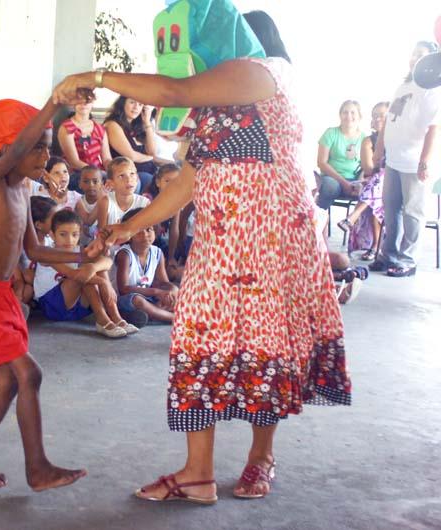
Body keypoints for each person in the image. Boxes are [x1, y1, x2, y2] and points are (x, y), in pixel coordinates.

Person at [53, 6, 350, 502]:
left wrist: (96, 77)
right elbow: (188, 181)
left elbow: (174, 91)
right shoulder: (216, 106)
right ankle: (198, 473)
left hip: (270, 244)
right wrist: (127, 227)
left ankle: (261, 457)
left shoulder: (266, 73)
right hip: (220, 245)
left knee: (264, 348)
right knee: (194, 339)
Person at [0, 98, 92, 491]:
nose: (45, 156)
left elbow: (35, 250)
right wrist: (54, 104)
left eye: (48, 147)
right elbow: (14, 152)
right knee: (29, 373)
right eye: (38, 147)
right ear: (10, 149)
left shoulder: (24, 189)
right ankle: (38, 468)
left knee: (9, 383)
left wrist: (84, 254)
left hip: (2, 297)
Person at [374, 41, 441, 277]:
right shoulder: (403, 86)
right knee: (391, 210)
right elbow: (389, 121)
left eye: (420, 55)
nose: (414, 59)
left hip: (414, 164)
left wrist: (425, 161)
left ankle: (407, 260)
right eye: (413, 54)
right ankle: (388, 256)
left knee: (413, 213)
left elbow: (434, 129)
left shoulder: (433, 91)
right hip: (394, 159)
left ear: (431, 60)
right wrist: (379, 148)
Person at [33, 209, 132, 338]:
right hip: (52, 307)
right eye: (63, 234)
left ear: (80, 234)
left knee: (94, 268)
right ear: (52, 235)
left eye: (74, 235)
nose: (69, 240)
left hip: (77, 309)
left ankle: (116, 317)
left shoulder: (80, 250)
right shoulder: (48, 254)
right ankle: (102, 319)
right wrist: (104, 283)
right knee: (84, 274)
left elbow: (107, 261)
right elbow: (73, 274)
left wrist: (93, 267)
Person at [336, 102, 390, 259]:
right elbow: (368, 169)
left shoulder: (398, 140)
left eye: (382, 116)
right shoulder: (368, 141)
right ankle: (375, 247)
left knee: (379, 181)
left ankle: (353, 218)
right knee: (377, 185)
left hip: (392, 185)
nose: (378, 119)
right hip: (374, 185)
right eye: (375, 116)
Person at [115, 208, 178, 324]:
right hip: (126, 299)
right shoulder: (125, 254)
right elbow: (123, 289)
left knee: (174, 290)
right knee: (138, 300)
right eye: (139, 231)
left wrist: (170, 291)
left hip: (148, 297)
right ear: (129, 235)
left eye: (149, 229)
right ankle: (174, 318)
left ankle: (152, 314)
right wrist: (156, 292)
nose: (145, 234)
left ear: (155, 231)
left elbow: (163, 282)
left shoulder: (157, 253)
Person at [104, 96, 168, 192]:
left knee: (173, 173)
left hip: (150, 170)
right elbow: (131, 156)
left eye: (140, 104)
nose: (136, 107)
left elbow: (152, 152)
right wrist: (151, 158)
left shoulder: (138, 126)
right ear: (122, 103)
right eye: (132, 102)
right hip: (129, 175)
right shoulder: (112, 125)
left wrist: (147, 122)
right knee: (150, 180)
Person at [315, 100, 367, 210]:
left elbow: (365, 166)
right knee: (330, 187)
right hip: (332, 179)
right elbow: (321, 163)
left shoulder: (364, 138)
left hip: (354, 180)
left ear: (359, 116)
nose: (349, 116)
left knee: (369, 189)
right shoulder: (331, 133)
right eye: (345, 112)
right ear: (340, 115)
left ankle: (354, 220)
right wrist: (344, 183)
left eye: (353, 112)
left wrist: (359, 183)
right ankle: (319, 216)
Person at [96, 157, 151, 232]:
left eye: (132, 174)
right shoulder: (106, 202)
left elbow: (150, 233)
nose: (128, 179)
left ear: (137, 178)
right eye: (121, 176)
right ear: (110, 183)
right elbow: (101, 233)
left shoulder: (144, 203)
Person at [58, 100, 112, 173]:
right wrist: (98, 173)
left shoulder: (99, 129)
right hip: (76, 173)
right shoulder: (67, 127)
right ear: (73, 103)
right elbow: (74, 162)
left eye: (87, 101)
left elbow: (106, 159)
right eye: (80, 100)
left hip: (99, 173)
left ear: (92, 103)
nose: (83, 104)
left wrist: (113, 171)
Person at [73, 165, 105, 244]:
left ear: (102, 184)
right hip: (81, 243)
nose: (91, 185)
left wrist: (103, 199)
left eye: (95, 181)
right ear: (80, 184)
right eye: (86, 181)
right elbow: (88, 221)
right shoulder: (78, 200)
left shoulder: (108, 201)